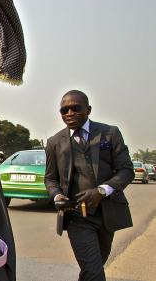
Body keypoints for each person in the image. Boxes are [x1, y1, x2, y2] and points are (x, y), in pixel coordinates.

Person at [44, 90, 134, 281]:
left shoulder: (110, 133)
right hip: (77, 217)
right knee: (94, 272)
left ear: (88, 110)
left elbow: (126, 170)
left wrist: (102, 191)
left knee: (93, 267)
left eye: (75, 108)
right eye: (64, 110)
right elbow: (50, 179)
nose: (69, 113)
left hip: (107, 214)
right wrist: (58, 196)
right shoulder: (54, 143)